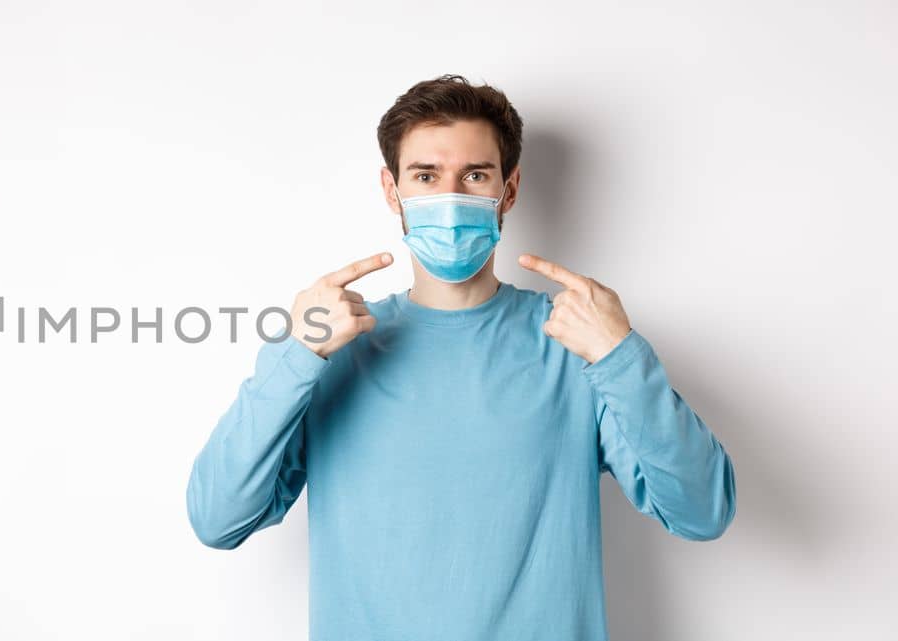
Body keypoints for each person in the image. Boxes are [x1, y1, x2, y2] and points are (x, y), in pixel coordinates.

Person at [184, 74, 737, 641]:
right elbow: (219, 520)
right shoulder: (332, 353)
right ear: (391, 190)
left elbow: (701, 511)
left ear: (510, 189)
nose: (449, 198)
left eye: (474, 176)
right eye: (426, 176)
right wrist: (296, 355)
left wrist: (621, 356)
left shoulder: (575, 346)